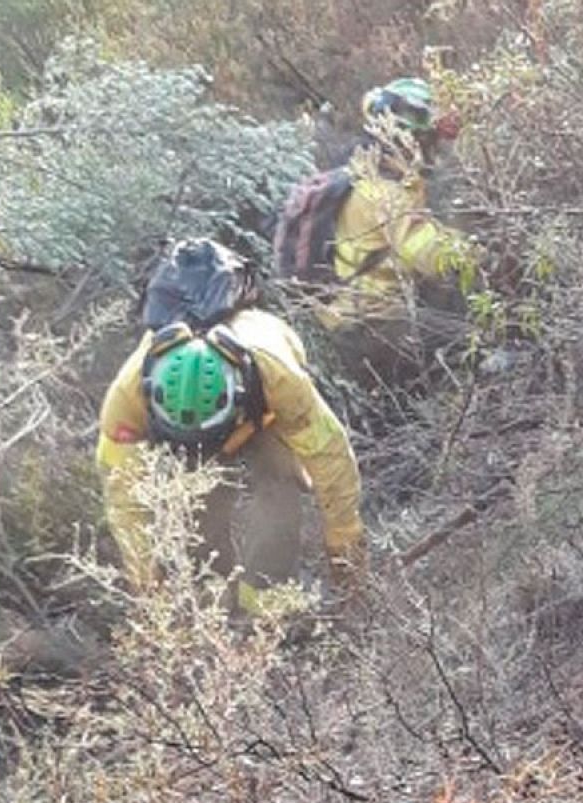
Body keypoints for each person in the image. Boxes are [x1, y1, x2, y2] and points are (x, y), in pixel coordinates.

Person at [95, 239, 366, 614]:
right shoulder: (127, 397)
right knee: (196, 502)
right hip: (192, 434)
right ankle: (215, 598)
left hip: (263, 420)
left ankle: (266, 602)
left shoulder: (278, 378)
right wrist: (145, 583)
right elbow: (124, 495)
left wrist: (344, 551)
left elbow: (330, 462)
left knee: (279, 485)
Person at [299, 76, 478, 387]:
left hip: (357, 312)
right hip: (368, 322)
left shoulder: (373, 171)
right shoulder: (385, 190)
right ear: (407, 139)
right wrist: (476, 250)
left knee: (446, 305)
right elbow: (424, 252)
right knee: (467, 343)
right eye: (427, 141)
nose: (432, 149)